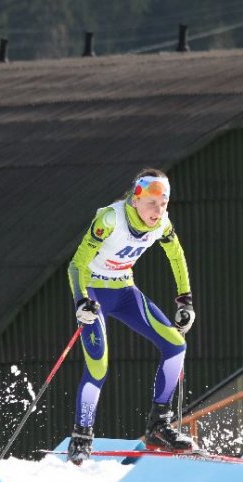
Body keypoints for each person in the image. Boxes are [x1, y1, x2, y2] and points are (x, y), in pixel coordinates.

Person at [66, 168, 195, 465]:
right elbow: (76, 265)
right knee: (98, 365)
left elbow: (176, 255)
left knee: (176, 345)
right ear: (135, 199)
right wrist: (81, 301)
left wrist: (185, 300)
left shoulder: (161, 223)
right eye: (152, 202)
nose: (158, 209)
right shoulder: (110, 219)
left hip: (125, 291)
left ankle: (158, 426)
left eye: (164, 202)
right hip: (95, 294)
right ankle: (82, 435)